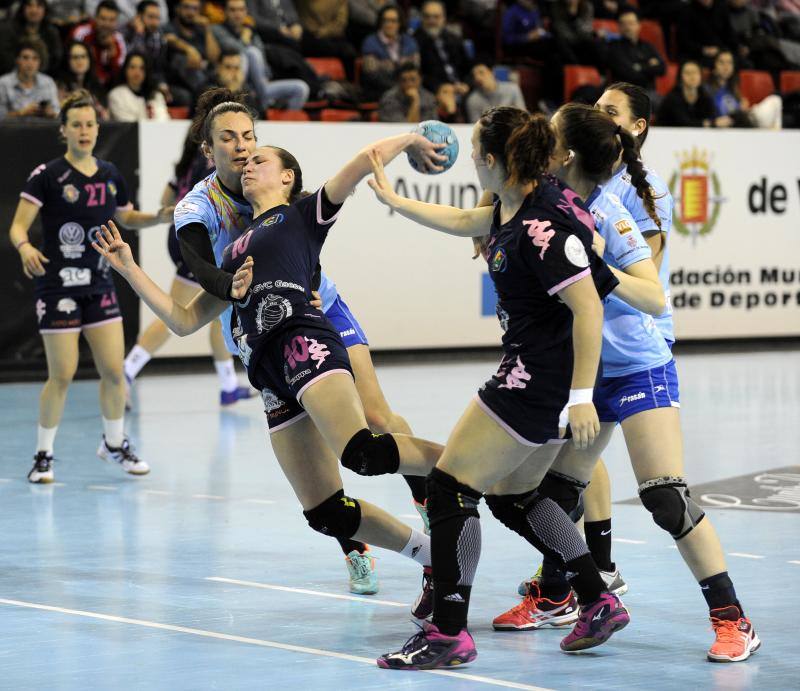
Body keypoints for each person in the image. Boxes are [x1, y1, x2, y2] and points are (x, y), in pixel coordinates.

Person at [92, 132, 448, 610]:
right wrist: (130, 269)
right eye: (236, 146)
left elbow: (364, 160)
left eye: (257, 150)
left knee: (366, 443)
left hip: (305, 338)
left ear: (287, 177)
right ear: (209, 148)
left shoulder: (301, 213)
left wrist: (412, 139)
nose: (247, 158)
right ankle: (432, 557)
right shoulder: (227, 244)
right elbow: (181, 321)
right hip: (267, 371)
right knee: (326, 513)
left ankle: (467, 466)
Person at [368, 106, 630, 670]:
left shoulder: (541, 227)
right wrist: (395, 203)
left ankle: (449, 632)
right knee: (515, 498)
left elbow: (587, 309)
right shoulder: (517, 201)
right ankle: (596, 597)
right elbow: (468, 222)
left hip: (535, 378)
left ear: (491, 160)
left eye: (472, 150)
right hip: (537, 371)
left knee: (448, 488)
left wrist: (582, 396)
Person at [507, 101, 760, 664]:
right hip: (583, 368)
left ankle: (732, 619)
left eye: (550, 132)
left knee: (665, 497)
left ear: (566, 152)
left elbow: (652, 295)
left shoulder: (614, 210)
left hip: (637, 365)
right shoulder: (541, 198)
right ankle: (559, 596)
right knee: (554, 495)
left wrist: (598, 266)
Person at [170, 87, 437, 597]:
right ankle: (354, 546)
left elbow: (306, 230)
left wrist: (409, 138)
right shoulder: (198, 205)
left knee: (375, 418)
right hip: (259, 328)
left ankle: (431, 498)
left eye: (249, 135)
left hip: (321, 305)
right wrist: (231, 286)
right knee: (314, 462)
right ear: (208, 150)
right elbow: (201, 267)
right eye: (228, 138)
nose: (242, 146)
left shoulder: (271, 178)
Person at [7, 89, 173, 484]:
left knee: (114, 372)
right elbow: (16, 225)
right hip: (58, 287)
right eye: (76, 125)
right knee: (61, 375)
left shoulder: (111, 175)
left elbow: (127, 218)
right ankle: (43, 455)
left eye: (90, 124)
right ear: (63, 130)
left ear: (98, 129)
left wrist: (160, 217)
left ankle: (114, 444)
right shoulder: (46, 175)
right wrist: (25, 245)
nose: (84, 131)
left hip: (99, 284)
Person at [123, 129, 253, 406]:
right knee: (175, 314)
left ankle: (228, 384)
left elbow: (164, 200)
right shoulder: (212, 165)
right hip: (197, 241)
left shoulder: (185, 164)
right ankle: (126, 371)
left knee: (221, 312)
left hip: (187, 237)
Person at [211, 0, 309, 111]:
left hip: (260, 85)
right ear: (225, 12)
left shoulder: (252, 31)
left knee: (301, 88)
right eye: (233, 10)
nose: (237, 14)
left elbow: (262, 58)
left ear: (246, 12)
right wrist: (245, 39)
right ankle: (265, 102)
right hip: (235, 85)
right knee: (252, 52)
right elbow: (236, 51)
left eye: (241, 9)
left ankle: (280, 120)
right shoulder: (217, 29)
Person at [164, 0, 221, 106]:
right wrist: (189, 49)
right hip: (176, 81)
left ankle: (207, 91)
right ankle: (207, 91)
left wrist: (207, 29)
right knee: (180, 59)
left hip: (201, 77)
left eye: (195, 9)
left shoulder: (200, 30)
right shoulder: (170, 26)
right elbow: (169, 38)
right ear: (178, 9)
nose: (190, 12)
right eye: (186, 7)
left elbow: (213, 57)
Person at [707, 49, 783, 128]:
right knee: (776, 101)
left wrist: (742, 108)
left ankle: (775, 133)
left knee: (775, 100)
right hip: (729, 123)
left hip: (745, 120)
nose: (726, 67)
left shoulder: (733, 87)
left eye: (729, 63)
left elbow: (739, 111)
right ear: (714, 66)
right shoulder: (708, 89)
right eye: (721, 62)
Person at [360, 4, 419, 101]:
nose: (389, 24)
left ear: (400, 23)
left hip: (408, 88)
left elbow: (415, 68)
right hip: (379, 91)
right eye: (385, 20)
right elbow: (372, 74)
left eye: (393, 21)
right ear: (380, 22)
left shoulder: (409, 42)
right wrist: (399, 88)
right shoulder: (370, 42)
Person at [413, 0, 471, 94]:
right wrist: (440, 87)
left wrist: (466, 84)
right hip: (435, 91)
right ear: (421, 18)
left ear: (444, 18)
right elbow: (419, 74)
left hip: (462, 88)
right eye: (427, 17)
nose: (432, 21)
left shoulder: (454, 39)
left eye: (436, 17)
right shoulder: (414, 42)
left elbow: (468, 68)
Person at [606, 7, 666, 96]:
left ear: (638, 25)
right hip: (624, 93)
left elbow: (662, 68)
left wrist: (639, 67)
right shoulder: (614, 47)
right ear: (618, 27)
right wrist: (648, 65)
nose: (627, 27)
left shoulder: (647, 46)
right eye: (623, 24)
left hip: (649, 91)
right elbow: (630, 74)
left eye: (631, 23)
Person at [71, 0, 128, 88]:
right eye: (103, 19)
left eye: (111, 20)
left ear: (117, 22)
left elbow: (120, 75)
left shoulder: (118, 40)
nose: (107, 24)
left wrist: (112, 56)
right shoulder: (81, 33)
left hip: (105, 89)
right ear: (95, 18)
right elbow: (70, 63)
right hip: (80, 84)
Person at [0, 39, 60, 120]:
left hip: (43, 131)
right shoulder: (3, 83)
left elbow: (58, 116)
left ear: (40, 62)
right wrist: (21, 113)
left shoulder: (48, 82)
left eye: (35, 58)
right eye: (25, 57)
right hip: (12, 132)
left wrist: (49, 114)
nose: (30, 63)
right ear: (17, 60)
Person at [123, 0, 170, 104]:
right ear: (138, 17)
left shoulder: (157, 36)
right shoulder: (124, 32)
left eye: (157, 18)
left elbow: (158, 68)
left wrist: (162, 84)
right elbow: (133, 60)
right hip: (126, 83)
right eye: (151, 17)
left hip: (148, 83)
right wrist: (139, 34)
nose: (155, 23)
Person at [0, 0, 62, 76]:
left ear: (45, 9)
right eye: (29, 5)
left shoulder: (51, 32)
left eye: (39, 6)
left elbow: (55, 59)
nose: (34, 10)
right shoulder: (8, 30)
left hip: (45, 77)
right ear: (23, 8)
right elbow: (6, 60)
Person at [656, 59, 721, 127]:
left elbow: (712, 116)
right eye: (687, 73)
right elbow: (683, 123)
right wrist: (709, 123)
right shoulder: (672, 98)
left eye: (695, 72)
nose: (692, 76)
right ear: (680, 76)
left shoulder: (705, 96)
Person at [107, 52, 170, 120]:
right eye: (132, 67)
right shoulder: (116, 95)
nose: (137, 73)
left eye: (142, 68)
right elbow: (128, 126)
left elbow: (164, 120)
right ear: (125, 70)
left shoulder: (156, 95)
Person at [56, 41, 108, 114]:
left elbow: (106, 116)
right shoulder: (59, 86)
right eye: (75, 57)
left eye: (83, 56)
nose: (80, 61)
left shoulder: (96, 86)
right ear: (67, 61)